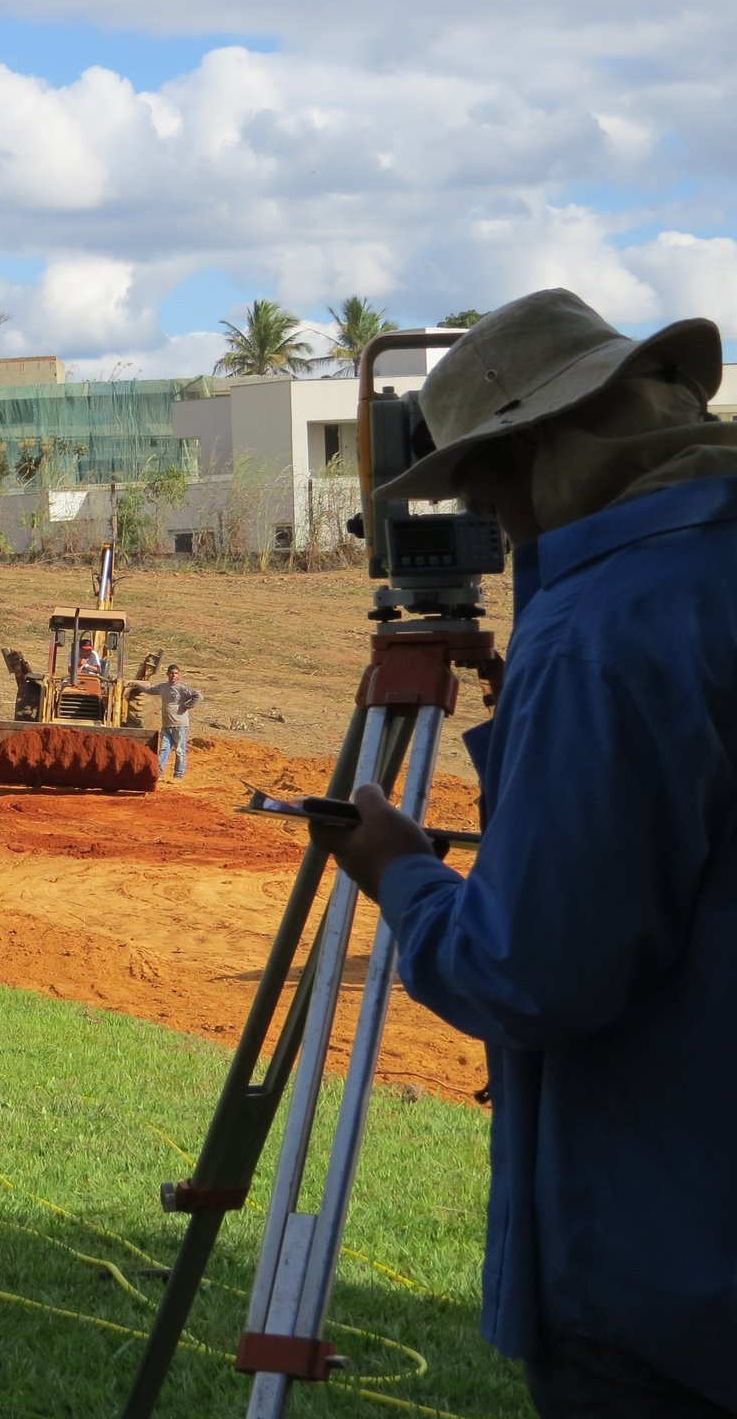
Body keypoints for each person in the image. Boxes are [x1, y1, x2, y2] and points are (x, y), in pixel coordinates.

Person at [312, 289, 737, 1417]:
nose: (491, 528)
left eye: (487, 489)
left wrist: (401, 871)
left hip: (662, 1282)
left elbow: (535, 972)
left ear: (544, 457)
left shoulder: (604, 630)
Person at [127, 663, 200, 778]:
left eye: (176, 673)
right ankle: (158, 773)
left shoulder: (183, 688)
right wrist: (137, 684)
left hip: (180, 725)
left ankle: (178, 775)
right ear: (167, 674)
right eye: (171, 673)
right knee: (164, 749)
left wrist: (186, 706)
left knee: (180, 751)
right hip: (166, 725)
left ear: (179, 675)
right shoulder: (163, 687)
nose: (173, 676)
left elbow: (198, 696)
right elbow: (150, 689)